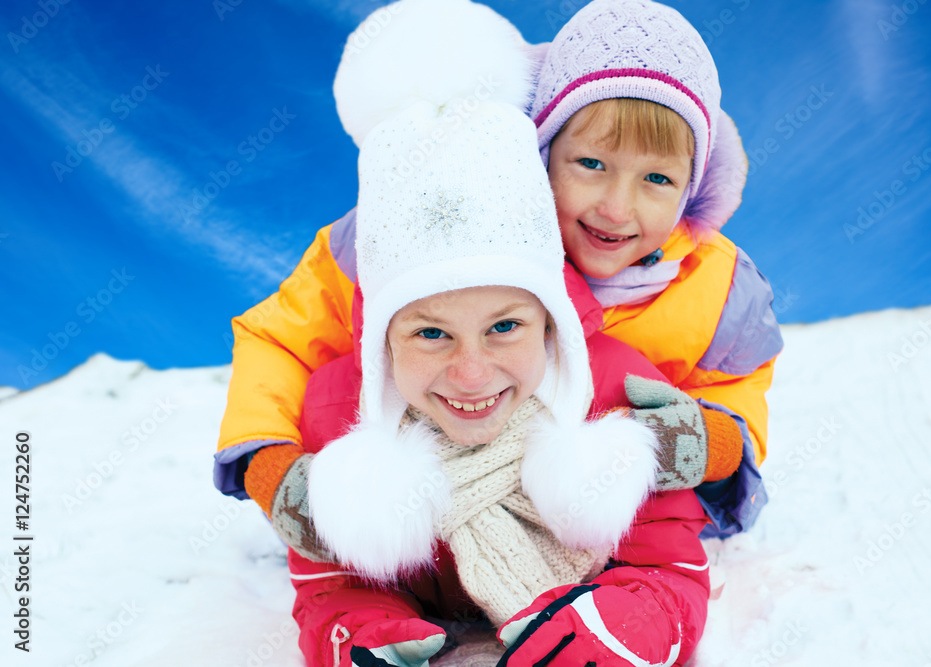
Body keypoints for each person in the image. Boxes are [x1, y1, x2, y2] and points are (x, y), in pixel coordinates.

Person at [214, 0, 777, 554]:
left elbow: (737, 386)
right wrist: (271, 467)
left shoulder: (717, 287)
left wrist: (712, 441)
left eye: (656, 178)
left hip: (608, 527)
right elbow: (280, 341)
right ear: (540, 150)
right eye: (591, 164)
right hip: (440, 515)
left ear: (691, 186)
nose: (616, 208)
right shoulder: (415, 232)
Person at [254, 2, 713, 664]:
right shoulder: (337, 412)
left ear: (551, 319)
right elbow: (329, 579)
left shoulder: (617, 393)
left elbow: (670, 565)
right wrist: (357, 627)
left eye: (504, 326)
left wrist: (625, 626)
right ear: (383, 338)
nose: (472, 371)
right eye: (431, 334)